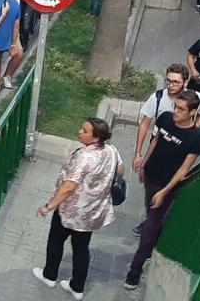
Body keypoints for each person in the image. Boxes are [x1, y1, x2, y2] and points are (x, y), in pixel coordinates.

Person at [33, 118, 123, 300]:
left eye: (85, 130)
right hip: (92, 212)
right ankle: (77, 287)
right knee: (81, 248)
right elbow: (120, 170)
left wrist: (49, 206)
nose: (80, 132)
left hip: (71, 211)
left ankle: (50, 275)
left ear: (96, 138)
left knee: (56, 241)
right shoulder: (111, 150)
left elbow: (68, 186)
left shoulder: (84, 157)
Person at [124, 90, 200, 290]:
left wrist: (165, 191)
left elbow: (184, 169)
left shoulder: (196, 138)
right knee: (151, 213)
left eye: (181, 109)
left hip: (166, 186)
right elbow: (156, 141)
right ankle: (154, 242)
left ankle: (135, 270)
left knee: (151, 224)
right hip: (151, 177)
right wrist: (144, 163)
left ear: (192, 112)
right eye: (176, 106)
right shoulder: (166, 118)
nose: (176, 111)